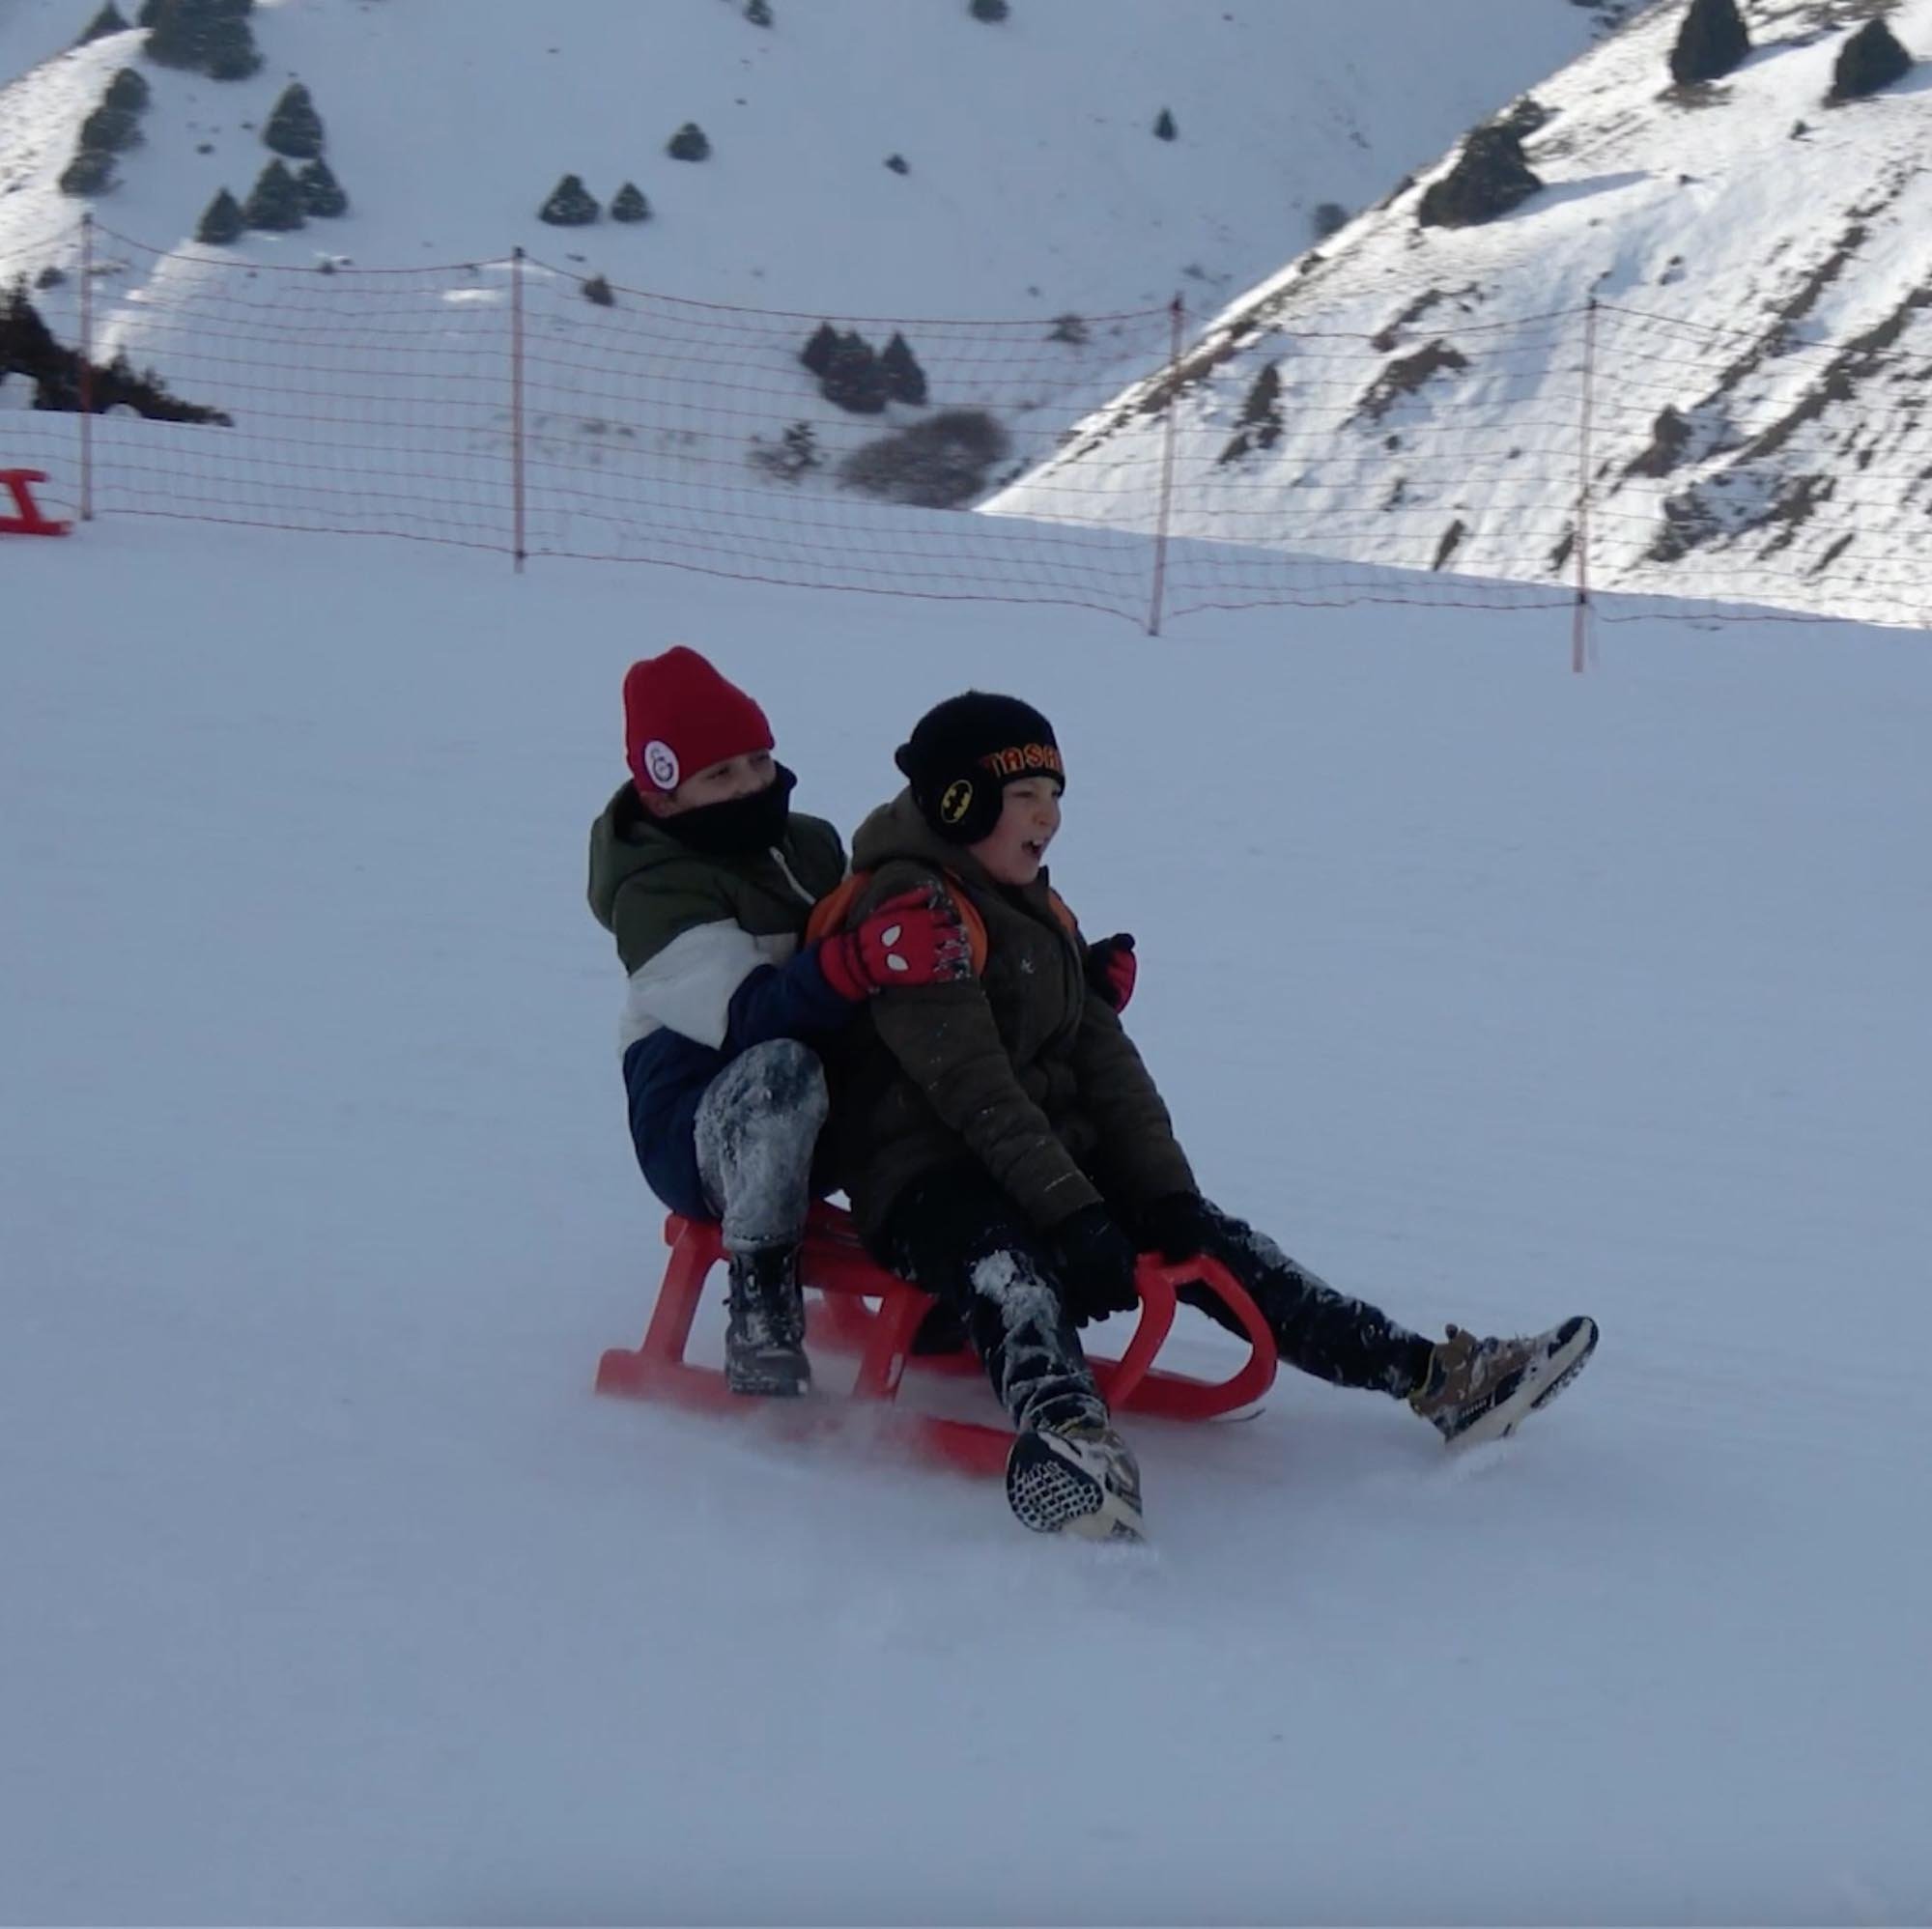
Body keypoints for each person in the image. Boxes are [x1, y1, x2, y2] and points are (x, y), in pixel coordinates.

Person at [822, 691, 1599, 1541]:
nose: (1050, 816)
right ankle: (1070, 1438)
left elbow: (1106, 1066)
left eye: (1056, 794)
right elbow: (975, 1090)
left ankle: (1436, 1378)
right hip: (928, 1177)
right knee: (1009, 1267)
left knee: (1217, 1245)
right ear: (958, 804)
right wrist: (1071, 1212)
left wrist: (1162, 1194)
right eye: (1025, 796)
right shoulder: (913, 909)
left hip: (1033, 1163)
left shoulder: (1035, 904)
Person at [587, 646, 970, 1396]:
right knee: (778, 1073)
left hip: (818, 1096)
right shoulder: (653, 895)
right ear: (663, 796)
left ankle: (936, 1270)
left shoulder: (808, 843)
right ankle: (762, 1303)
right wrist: (855, 961)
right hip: (697, 1123)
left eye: (759, 761)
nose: (751, 785)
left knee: (918, 1062)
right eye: (719, 775)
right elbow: (749, 1017)